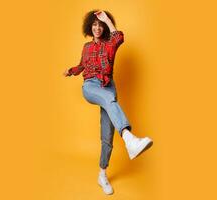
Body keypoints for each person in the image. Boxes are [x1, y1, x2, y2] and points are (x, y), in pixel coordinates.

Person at [62, 10, 153, 195]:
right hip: (91, 86)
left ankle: (102, 174)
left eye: (100, 25)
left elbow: (119, 37)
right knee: (109, 99)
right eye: (94, 24)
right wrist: (71, 71)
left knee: (107, 136)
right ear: (90, 26)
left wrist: (107, 20)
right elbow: (82, 65)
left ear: (104, 28)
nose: (97, 28)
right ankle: (129, 139)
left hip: (108, 87)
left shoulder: (109, 44)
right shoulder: (86, 47)